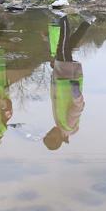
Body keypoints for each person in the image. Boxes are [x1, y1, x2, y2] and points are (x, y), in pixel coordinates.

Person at [43, 14, 90, 151]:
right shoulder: (68, 125)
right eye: (50, 134)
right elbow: (78, 108)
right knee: (62, 48)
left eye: (47, 133)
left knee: (67, 48)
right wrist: (76, 93)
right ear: (57, 139)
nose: (49, 131)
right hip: (68, 79)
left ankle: (88, 21)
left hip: (61, 77)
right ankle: (63, 17)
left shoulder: (60, 125)